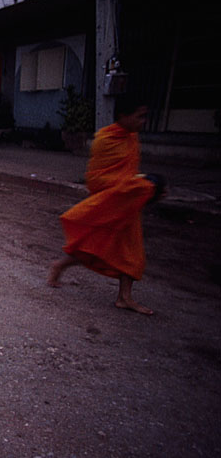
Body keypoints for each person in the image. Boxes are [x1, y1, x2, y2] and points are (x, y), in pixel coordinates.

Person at [47, 96, 164, 315]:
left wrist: (140, 186)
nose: (143, 121)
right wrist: (135, 185)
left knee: (133, 251)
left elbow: (127, 172)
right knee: (95, 247)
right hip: (110, 203)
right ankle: (60, 265)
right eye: (139, 116)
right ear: (123, 116)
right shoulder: (105, 140)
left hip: (128, 203)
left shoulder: (132, 138)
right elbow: (96, 178)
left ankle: (124, 297)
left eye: (144, 116)